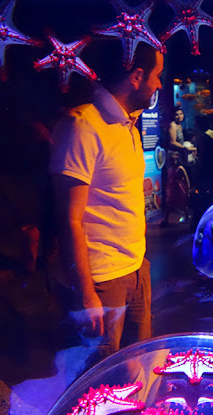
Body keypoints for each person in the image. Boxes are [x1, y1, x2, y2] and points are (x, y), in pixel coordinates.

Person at [48, 42, 163, 366]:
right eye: (157, 75)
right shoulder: (82, 126)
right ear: (137, 77)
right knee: (100, 379)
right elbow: (68, 218)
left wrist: (141, 269)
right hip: (101, 280)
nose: (159, 84)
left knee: (136, 371)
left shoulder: (128, 126)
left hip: (136, 269)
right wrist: (85, 294)